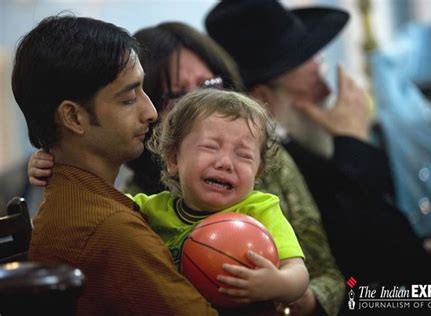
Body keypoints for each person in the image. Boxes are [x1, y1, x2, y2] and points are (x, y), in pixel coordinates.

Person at [29, 21, 346, 316]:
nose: (226, 161)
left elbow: (318, 271)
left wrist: (286, 293)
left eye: (209, 83)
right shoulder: (134, 212)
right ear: (171, 155)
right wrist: (54, 159)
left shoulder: (262, 198)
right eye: (178, 94)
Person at [205, 0, 431, 287]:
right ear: (263, 100)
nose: (328, 90)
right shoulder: (268, 169)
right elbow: (358, 265)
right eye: (311, 81)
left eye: (321, 70)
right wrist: (353, 143)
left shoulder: (312, 149)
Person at [13, 15, 217, 315]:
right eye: (128, 99)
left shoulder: (77, 200)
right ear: (73, 118)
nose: (150, 112)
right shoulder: (107, 229)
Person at [136, 88, 309, 309]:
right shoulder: (150, 210)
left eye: (244, 155)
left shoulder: (260, 210)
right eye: (210, 147)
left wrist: (276, 284)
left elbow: (299, 274)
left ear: (257, 173)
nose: (225, 163)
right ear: (172, 159)